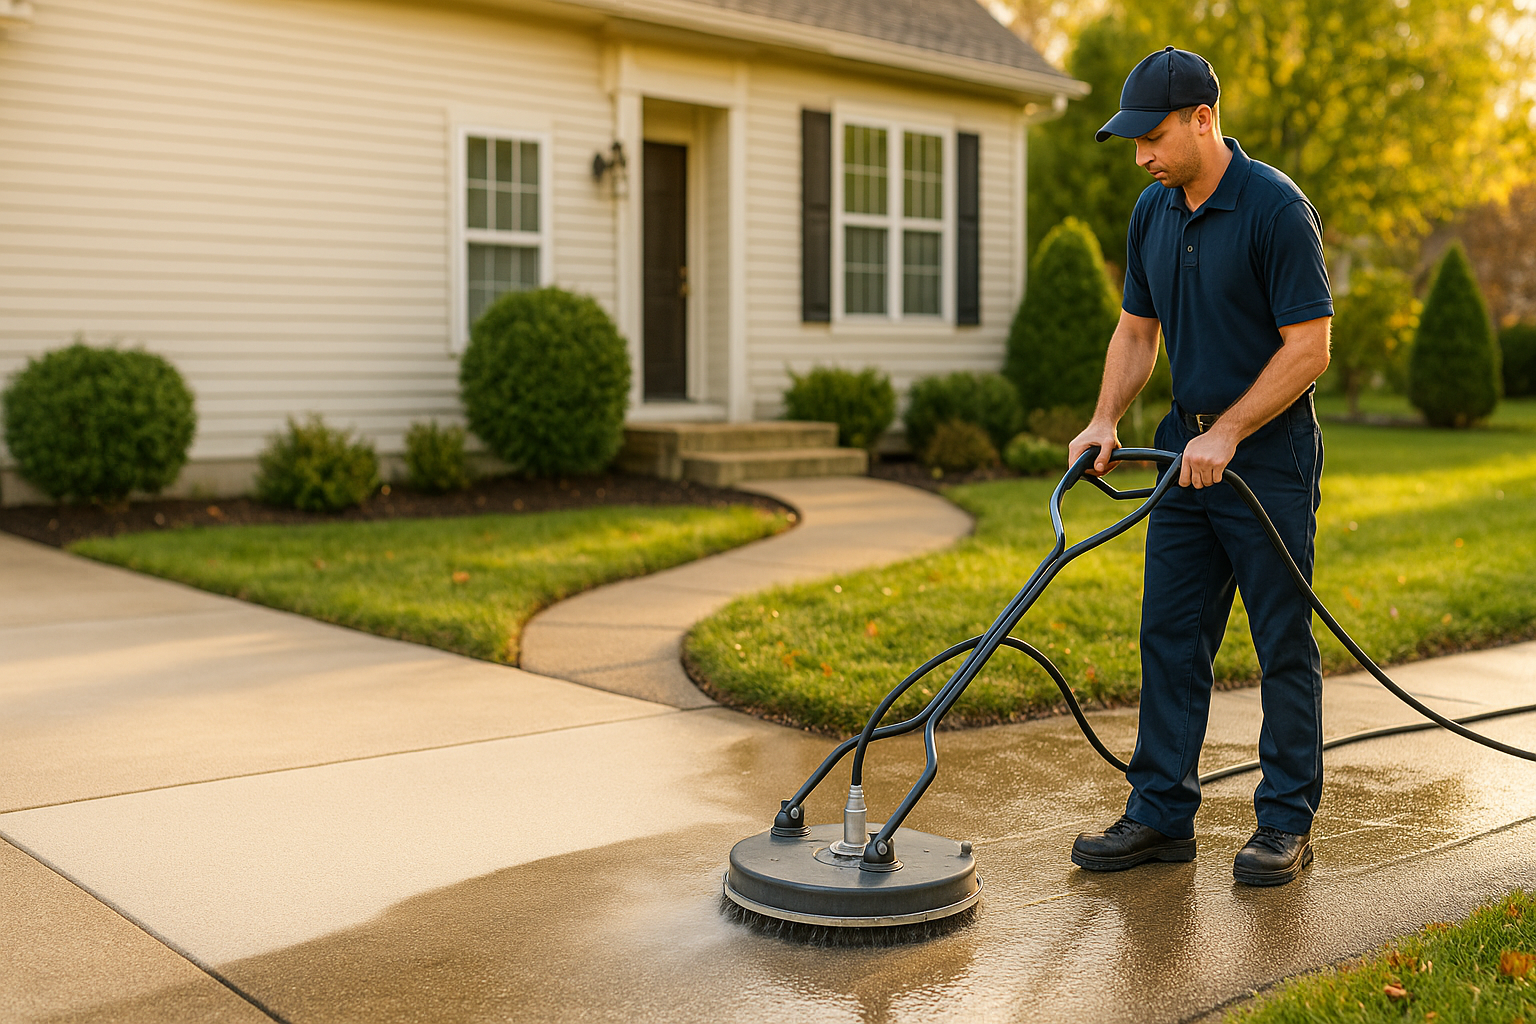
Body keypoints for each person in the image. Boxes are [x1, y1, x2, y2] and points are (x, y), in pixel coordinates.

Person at [1066, 46, 1333, 886]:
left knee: (1280, 638)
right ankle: (1160, 814)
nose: (1141, 155)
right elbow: (1137, 331)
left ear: (1202, 120)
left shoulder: (1276, 210)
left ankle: (1285, 822)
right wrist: (1107, 417)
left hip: (1269, 456)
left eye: (1151, 136)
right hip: (1185, 448)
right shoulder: (1155, 212)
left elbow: (1311, 347)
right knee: (1170, 635)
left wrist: (1233, 431)